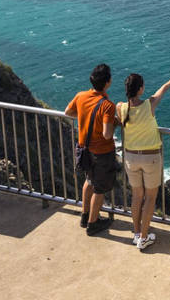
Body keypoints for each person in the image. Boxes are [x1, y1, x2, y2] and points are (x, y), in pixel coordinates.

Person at [116, 70, 170, 250]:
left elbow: (121, 120)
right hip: (150, 157)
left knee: (137, 196)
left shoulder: (120, 107)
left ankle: (137, 233)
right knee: (150, 198)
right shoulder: (149, 104)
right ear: (141, 89)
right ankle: (144, 238)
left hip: (130, 157)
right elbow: (163, 89)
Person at [65, 63, 118, 236]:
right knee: (100, 189)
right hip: (102, 153)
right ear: (108, 82)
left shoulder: (81, 96)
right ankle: (93, 223)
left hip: (85, 149)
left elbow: (67, 112)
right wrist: (116, 123)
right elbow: (107, 134)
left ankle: (85, 215)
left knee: (89, 181)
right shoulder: (107, 105)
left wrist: (83, 117)